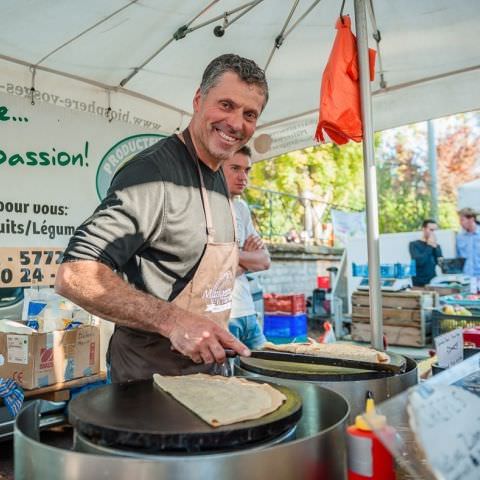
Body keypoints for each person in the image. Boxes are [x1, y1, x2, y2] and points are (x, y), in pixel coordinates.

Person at [55, 54, 269, 382]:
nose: (237, 124)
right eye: (226, 105)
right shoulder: (154, 175)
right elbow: (75, 274)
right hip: (149, 388)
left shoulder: (217, 177)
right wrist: (174, 321)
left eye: (249, 114)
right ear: (198, 100)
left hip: (209, 381)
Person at [222, 145, 270, 349]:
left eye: (247, 170)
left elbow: (265, 260)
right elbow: (208, 267)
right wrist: (246, 259)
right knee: (227, 381)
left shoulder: (241, 207)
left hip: (248, 312)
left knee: (268, 373)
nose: (243, 177)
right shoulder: (205, 206)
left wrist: (232, 260)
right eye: (235, 168)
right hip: (224, 317)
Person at [409, 219, 443, 287]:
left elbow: (440, 264)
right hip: (418, 283)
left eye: (435, 230)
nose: (433, 233)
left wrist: (436, 248)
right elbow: (419, 261)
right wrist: (429, 246)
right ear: (424, 229)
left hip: (433, 281)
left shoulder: (436, 245)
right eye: (431, 230)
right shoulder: (413, 244)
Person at [456, 207, 480, 293]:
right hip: (467, 280)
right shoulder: (459, 237)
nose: (460, 223)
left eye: (462, 220)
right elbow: (458, 259)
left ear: (471, 219)